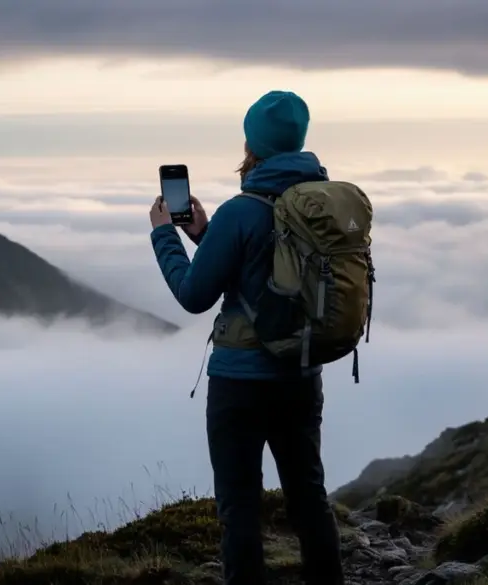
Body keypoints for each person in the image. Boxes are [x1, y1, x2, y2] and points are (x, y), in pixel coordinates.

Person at [147, 90, 346, 585]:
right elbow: (270, 274)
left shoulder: (245, 209)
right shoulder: (320, 205)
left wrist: (164, 235)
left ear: (251, 144)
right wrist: (207, 234)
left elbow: (194, 295)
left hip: (240, 382)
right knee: (308, 499)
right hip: (301, 374)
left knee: (240, 507)